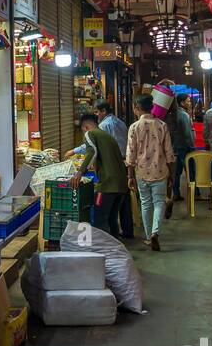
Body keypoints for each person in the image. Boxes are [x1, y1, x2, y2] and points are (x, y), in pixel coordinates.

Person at [125, 94, 175, 251]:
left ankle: (148, 237)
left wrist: (130, 175)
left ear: (137, 108)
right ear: (151, 107)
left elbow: (130, 154)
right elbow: (169, 153)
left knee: (146, 204)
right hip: (160, 171)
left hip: (141, 172)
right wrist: (172, 174)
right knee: (159, 202)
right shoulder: (162, 125)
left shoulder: (134, 127)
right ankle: (155, 233)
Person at [73, 112, 128, 236]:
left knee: (99, 218)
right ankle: (115, 247)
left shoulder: (90, 133)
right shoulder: (106, 136)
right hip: (120, 185)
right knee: (112, 219)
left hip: (107, 186)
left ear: (85, 127)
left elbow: (92, 152)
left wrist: (79, 173)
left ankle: (103, 249)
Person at [95, 101, 134, 239]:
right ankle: (128, 230)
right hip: (124, 162)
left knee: (110, 202)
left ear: (104, 111)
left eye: (98, 112)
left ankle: (111, 235)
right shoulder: (120, 122)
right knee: (124, 198)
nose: (97, 115)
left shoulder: (103, 126)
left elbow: (95, 146)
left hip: (113, 164)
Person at [164, 93, 196, 220]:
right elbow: (187, 133)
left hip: (173, 147)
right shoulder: (183, 115)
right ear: (181, 102)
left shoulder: (169, 116)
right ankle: (195, 193)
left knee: (175, 173)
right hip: (184, 146)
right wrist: (191, 146)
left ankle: (175, 193)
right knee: (190, 170)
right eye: (188, 101)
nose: (190, 103)